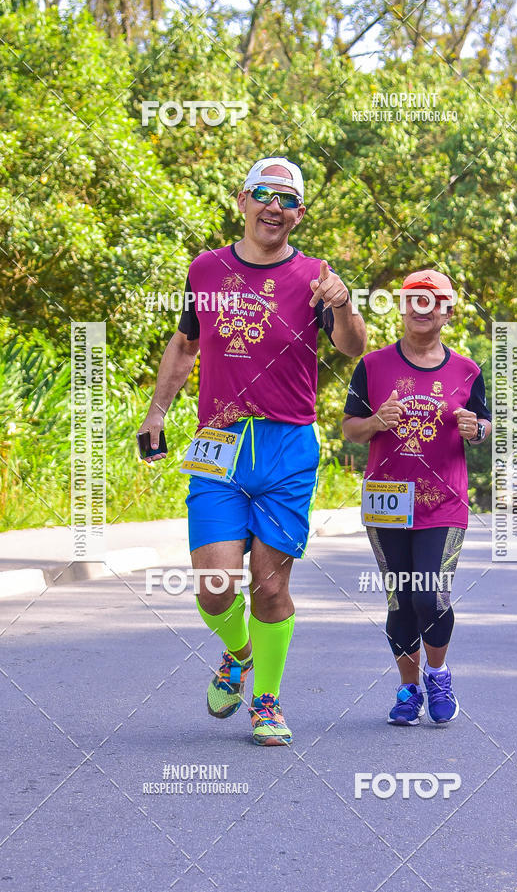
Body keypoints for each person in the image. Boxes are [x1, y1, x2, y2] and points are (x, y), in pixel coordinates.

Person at [138, 157, 366, 746]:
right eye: (264, 194)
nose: (274, 207)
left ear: (299, 214)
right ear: (242, 200)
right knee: (215, 584)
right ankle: (237, 654)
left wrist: (342, 302)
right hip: (220, 440)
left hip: (287, 445)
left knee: (269, 587)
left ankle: (267, 699)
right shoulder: (206, 269)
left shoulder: (316, 276)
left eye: (287, 200)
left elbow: (349, 347)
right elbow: (186, 344)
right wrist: (157, 411)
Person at [342, 269, 491, 726]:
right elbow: (349, 431)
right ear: (403, 308)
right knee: (401, 599)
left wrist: (477, 430)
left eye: (433, 300)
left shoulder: (468, 371)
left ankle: (438, 674)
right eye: (413, 300)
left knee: (430, 595)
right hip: (386, 500)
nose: (422, 308)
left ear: (447, 310)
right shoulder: (371, 367)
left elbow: (485, 427)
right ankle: (408, 688)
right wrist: (375, 423)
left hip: (443, 503)